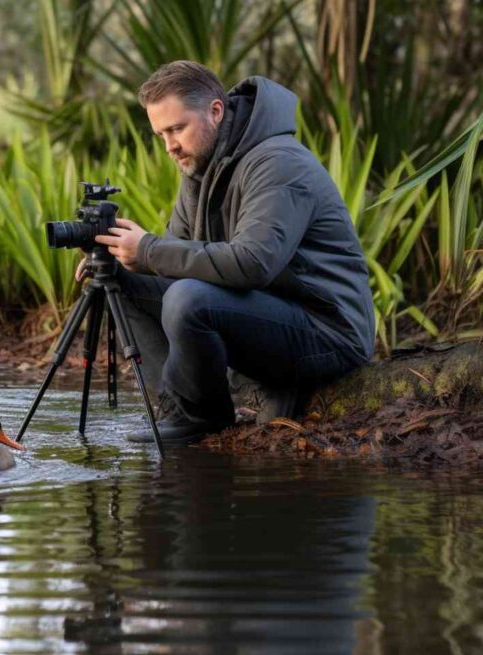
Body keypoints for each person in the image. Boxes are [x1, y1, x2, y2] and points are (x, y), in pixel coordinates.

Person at [78, 61, 375, 444]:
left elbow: (253, 264)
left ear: (215, 112)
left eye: (176, 129)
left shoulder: (278, 162)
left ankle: (203, 419)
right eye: (160, 134)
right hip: (266, 314)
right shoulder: (199, 168)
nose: (169, 146)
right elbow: (168, 268)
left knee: (188, 298)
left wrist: (150, 249)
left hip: (327, 331)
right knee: (120, 284)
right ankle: (180, 409)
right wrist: (117, 259)